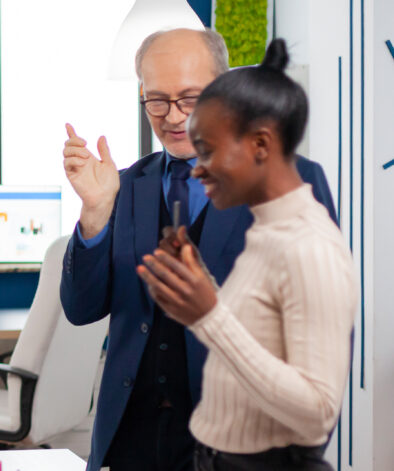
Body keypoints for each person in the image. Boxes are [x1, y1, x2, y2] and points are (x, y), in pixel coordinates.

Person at [59, 29, 337, 471]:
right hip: (131, 443)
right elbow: (81, 308)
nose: (174, 117)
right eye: (157, 100)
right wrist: (93, 214)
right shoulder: (124, 185)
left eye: (191, 98)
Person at [137, 39, 355, 471]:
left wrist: (209, 314)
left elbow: (316, 412)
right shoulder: (268, 235)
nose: (196, 170)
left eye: (210, 151)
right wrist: (201, 285)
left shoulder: (311, 247)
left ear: (260, 145)